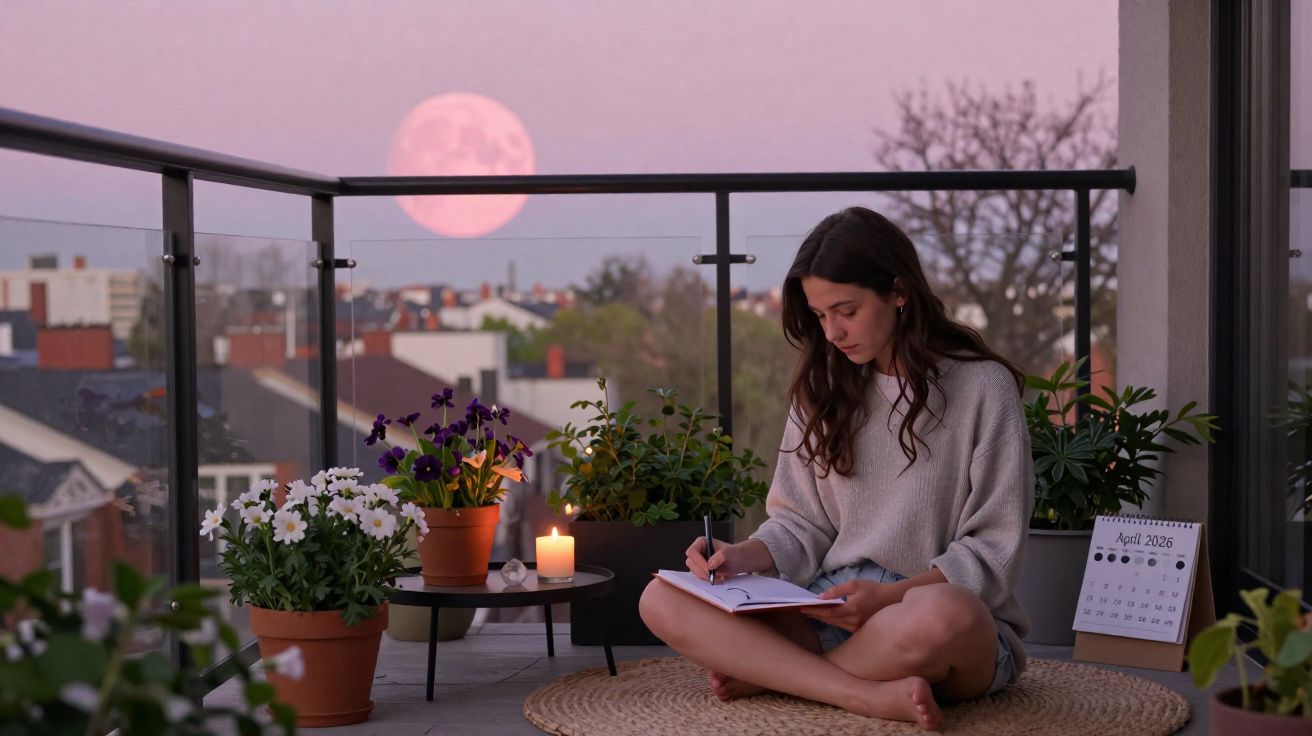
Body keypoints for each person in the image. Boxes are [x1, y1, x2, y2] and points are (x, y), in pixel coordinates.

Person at [639, 206, 1034, 731]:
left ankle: (778, 677)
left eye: (846, 311)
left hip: (931, 620)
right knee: (660, 598)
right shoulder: (823, 389)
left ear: (898, 292)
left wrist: (889, 599)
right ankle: (860, 694)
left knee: (946, 614)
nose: (833, 333)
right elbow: (801, 523)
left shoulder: (984, 389)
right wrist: (740, 556)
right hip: (830, 607)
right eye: (821, 316)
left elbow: (990, 551)